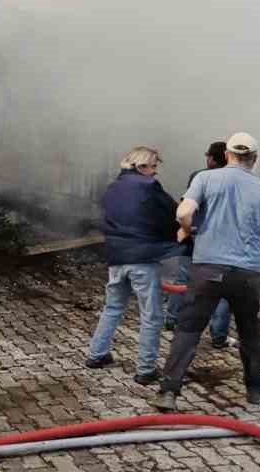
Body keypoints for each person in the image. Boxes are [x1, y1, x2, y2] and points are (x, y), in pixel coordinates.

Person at [153, 132, 260, 411]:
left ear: (228, 155)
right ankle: (254, 390)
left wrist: (185, 229)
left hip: (207, 269)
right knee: (249, 332)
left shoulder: (205, 179)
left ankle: (168, 392)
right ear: (254, 160)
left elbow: (183, 212)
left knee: (189, 330)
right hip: (247, 273)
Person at [85, 146, 186, 386]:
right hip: (142, 259)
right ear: (141, 167)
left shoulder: (112, 188)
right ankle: (146, 369)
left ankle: (96, 355)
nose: (155, 173)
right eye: (153, 167)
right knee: (151, 315)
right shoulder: (149, 187)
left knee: (113, 307)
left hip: (116, 259)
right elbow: (172, 214)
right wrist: (182, 234)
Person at [164, 141, 234, 349]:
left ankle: (172, 319)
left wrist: (186, 230)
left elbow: (185, 208)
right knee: (222, 287)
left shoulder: (199, 176)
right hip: (220, 243)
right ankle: (218, 335)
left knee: (183, 279)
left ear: (212, 158)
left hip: (193, 238)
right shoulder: (237, 181)